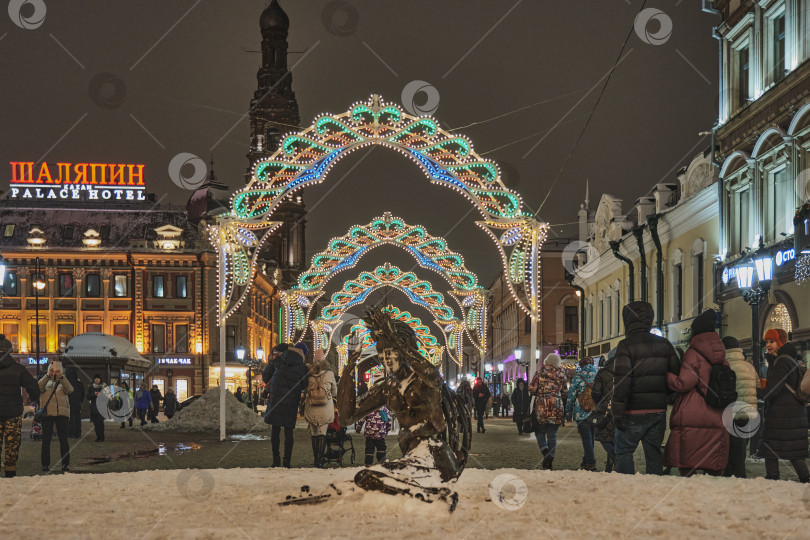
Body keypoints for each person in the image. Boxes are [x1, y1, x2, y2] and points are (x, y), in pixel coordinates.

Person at [612, 301, 680, 475]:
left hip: (632, 412)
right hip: (657, 410)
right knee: (653, 454)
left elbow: (622, 382)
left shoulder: (626, 345)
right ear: (650, 319)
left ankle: (626, 488)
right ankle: (654, 490)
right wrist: (668, 398)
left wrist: (617, 412)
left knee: (624, 452)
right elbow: (675, 376)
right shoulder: (665, 344)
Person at [664, 309, 730, 477]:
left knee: (688, 461)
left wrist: (667, 376)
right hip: (717, 411)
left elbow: (684, 383)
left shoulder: (693, 353)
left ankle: (689, 494)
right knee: (711, 461)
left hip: (693, 410)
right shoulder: (722, 356)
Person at [758, 329, 809, 482]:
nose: (768, 345)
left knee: (770, 448)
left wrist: (755, 391)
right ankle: (805, 479)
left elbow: (773, 390)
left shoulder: (781, 361)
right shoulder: (789, 359)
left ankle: (773, 479)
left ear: (781, 343)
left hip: (782, 415)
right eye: (766, 342)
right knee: (792, 452)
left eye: (772, 341)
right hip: (791, 413)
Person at [263, 342, 308, 468]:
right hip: (291, 401)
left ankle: (276, 460)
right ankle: (287, 461)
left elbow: (265, 377)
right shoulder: (301, 366)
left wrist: (271, 362)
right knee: (288, 432)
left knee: (275, 430)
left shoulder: (278, 360)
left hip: (276, 399)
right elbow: (305, 384)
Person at [0, 334, 39, 477]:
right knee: (12, 444)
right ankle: (10, 472)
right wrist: (32, 398)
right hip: (13, 412)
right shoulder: (18, 369)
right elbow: (33, 386)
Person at [722, 335, 758, 478]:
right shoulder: (749, 366)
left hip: (733, 413)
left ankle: (738, 477)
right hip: (750, 414)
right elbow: (758, 385)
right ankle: (734, 475)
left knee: (733, 449)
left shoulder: (726, 366)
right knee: (741, 449)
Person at [528, 353, 566, 470]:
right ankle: (550, 457)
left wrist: (541, 392)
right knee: (552, 434)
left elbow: (532, 389)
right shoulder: (561, 374)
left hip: (542, 407)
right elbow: (564, 391)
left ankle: (545, 452)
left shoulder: (540, 373)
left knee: (539, 432)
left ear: (546, 361)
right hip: (556, 406)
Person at [303, 349, 337, 468]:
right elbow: (334, 392)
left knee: (314, 433)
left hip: (311, 405)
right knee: (322, 433)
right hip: (325, 406)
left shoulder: (309, 374)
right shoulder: (329, 374)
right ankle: (320, 460)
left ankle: (315, 458)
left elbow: (305, 388)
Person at [38, 362, 74, 472]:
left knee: (63, 440)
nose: (54, 372)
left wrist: (61, 377)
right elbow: (38, 387)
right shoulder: (44, 380)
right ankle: (45, 464)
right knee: (46, 440)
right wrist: (48, 375)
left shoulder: (63, 381)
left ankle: (65, 464)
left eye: (57, 370)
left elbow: (70, 390)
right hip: (47, 414)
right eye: (52, 370)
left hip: (61, 414)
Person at [566, 357, 598, 471]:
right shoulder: (598, 375)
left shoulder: (577, 377)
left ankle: (590, 462)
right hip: (595, 411)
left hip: (581, 412)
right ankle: (586, 460)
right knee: (591, 438)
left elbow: (571, 397)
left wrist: (568, 414)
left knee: (586, 438)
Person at [591, 350, 617, 472]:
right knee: (617, 437)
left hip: (605, 410)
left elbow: (595, 392)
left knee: (603, 435)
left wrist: (600, 403)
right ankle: (612, 462)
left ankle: (614, 457)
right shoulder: (627, 372)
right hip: (621, 409)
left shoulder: (603, 372)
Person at [64, 367, 84, 439]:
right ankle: (77, 433)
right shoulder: (79, 383)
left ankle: (71, 433)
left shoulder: (67, 383)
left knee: (70, 419)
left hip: (69, 403)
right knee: (77, 419)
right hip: (77, 403)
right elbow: (83, 393)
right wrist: (80, 400)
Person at [86, 374, 108, 442]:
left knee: (100, 423)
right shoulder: (91, 387)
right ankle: (98, 436)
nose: (97, 380)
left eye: (98, 379)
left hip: (101, 407)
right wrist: (94, 394)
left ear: (100, 379)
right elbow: (88, 396)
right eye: (95, 379)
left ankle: (101, 437)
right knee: (95, 423)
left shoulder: (104, 386)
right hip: (93, 407)